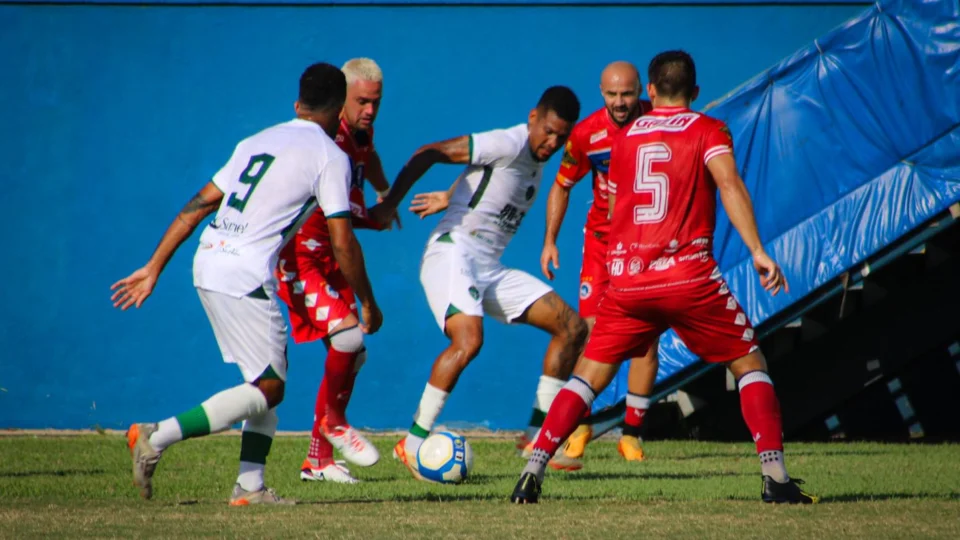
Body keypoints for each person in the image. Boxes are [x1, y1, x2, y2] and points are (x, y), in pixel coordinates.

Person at [511, 51, 818, 505]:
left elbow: (615, 207)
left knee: (589, 374)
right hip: (688, 277)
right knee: (749, 363)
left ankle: (533, 469)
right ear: (695, 92)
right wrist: (757, 250)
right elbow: (729, 184)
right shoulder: (709, 129)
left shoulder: (628, 136)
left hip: (629, 281)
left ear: (649, 92)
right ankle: (775, 478)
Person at [112, 62, 382, 505]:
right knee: (270, 388)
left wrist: (155, 265)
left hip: (208, 263)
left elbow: (197, 205)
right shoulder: (330, 155)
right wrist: (368, 302)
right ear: (338, 112)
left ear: (298, 104)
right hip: (246, 274)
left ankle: (250, 488)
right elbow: (343, 241)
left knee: (262, 386)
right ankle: (157, 435)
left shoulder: (254, 141)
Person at [370, 86, 589, 480]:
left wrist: (452, 196)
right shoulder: (507, 142)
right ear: (533, 117)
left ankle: (537, 436)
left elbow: (484, 180)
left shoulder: (535, 162)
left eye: (562, 137)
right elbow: (430, 152)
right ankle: (414, 441)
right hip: (453, 253)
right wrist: (390, 203)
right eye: (549, 131)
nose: (553, 143)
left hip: (488, 266)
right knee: (469, 341)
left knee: (571, 328)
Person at [274, 58, 392, 484]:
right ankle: (332, 426)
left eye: (376, 102)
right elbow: (341, 215)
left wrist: (383, 190)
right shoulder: (326, 141)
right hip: (300, 258)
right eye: (361, 101)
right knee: (348, 336)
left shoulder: (361, 133)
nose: (369, 111)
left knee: (352, 352)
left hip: (329, 259)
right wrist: (375, 212)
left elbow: (370, 157)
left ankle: (318, 459)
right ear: (341, 99)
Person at [537, 61, 657, 470]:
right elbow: (561, 185)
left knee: (645, 337)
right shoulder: (587, 134)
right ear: (601, 93)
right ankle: (581, 427)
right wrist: (550, 241)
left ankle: (632, 435)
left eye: (627, 94)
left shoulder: (660, 122)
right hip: (603, 246)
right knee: (589, 333)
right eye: (612, 95)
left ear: (642, 90)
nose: (620, 102)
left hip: (647, 244)